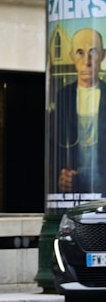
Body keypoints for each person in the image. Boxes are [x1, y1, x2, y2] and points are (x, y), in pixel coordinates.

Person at [55, 27, 106, 195]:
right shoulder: (64, 96)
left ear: (103, 55)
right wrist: (60, 177)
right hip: (74, 187)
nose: (87, 62)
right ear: (72, 56)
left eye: (93, 52)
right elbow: (56, 143)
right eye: (80, 52)